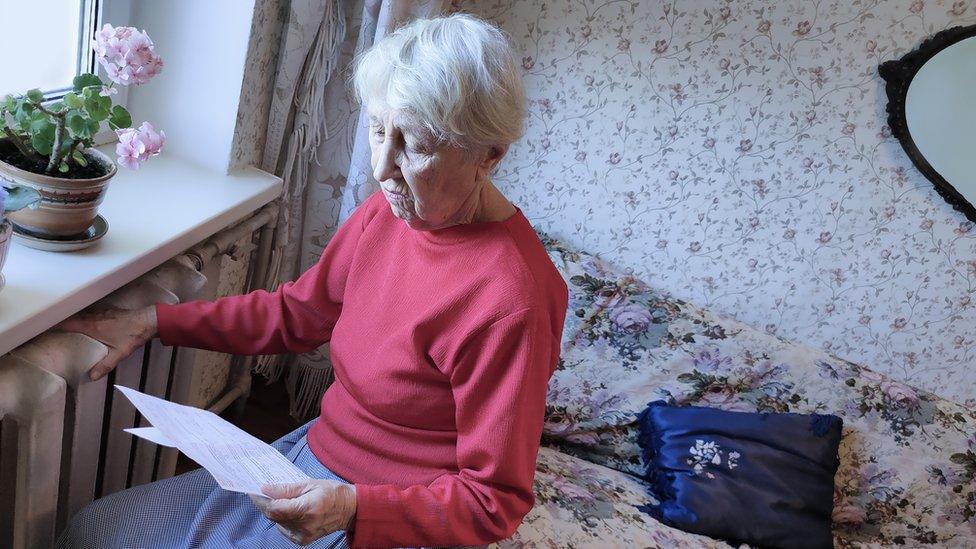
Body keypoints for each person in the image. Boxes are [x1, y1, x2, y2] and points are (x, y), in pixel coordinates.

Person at [55, 13, 568, 549]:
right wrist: (156, 319)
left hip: (387, 511)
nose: (382, 167)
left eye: (415, 146)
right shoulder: (383, 217)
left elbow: (494, 503)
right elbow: (296, 315)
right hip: (318, 460)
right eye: (376, 130)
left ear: (490, 154)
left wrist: (355, 509)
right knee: (96, 527)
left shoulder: (514, 301)